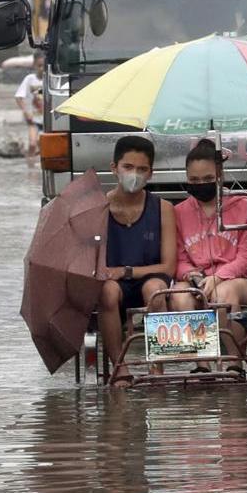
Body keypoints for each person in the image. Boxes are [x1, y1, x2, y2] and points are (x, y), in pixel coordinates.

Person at [98, 135, 179, 384]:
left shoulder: (162, 208)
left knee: (155, 290)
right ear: (114, 169)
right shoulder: (98, 208)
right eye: (128, 167)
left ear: (151, 173)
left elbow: (168, 266)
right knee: (107, 292)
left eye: (142, 169)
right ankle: (119, 366)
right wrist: (114, 273)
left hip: (149, 278)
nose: (135, 174)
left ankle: (158, 368)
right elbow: (94, 260)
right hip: (113, 283)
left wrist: (127, 271)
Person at [174, 139, 247, 354]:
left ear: (220, 175)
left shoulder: (243, 205)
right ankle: (202, 364)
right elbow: (179, 259)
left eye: (208, 178)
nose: (201, 184)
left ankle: (234, 363)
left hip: (238, 281)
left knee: (223, 295)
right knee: (180, 295)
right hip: (196, 279)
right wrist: (191, 275)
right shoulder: (179, 212)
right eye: (194, 180)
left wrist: (218, 277)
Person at [14, 54, 45, 166]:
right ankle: (30, 166)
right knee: (32, 144)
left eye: (44, 65)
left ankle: (41, 166)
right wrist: (26, 112)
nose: (42, 68)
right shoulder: (29, 79)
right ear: (34, 66)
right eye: (39, 65)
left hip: (47, 120)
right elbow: (18, 97)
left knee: (41, 144)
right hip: (33, 119)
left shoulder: (50, 79)